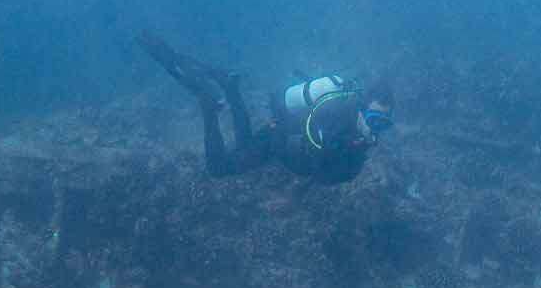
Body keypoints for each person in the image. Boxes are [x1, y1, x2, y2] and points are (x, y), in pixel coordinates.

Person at [137, 31, 392, 184]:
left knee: (243, 143)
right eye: (374, 119)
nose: (377, 129)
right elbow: (317, 153)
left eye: (384, 124)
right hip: (277, 139)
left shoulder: (353, 129)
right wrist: (339, 148)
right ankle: (208, 106)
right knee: (219, 168)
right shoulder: (339, 116)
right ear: (362, 109)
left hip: (279, 138)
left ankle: (230, 88)